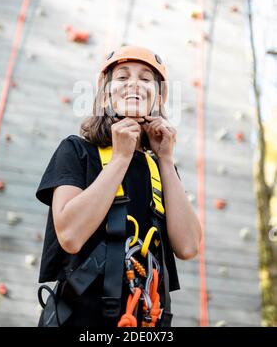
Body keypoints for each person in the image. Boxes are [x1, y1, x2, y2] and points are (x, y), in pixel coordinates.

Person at [36, 45, 201, 327]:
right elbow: (71, 236)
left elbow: (188, 246)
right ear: (105, 93)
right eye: (122, 77)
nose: (134, 84)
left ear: (158, 97)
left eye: (146, 78)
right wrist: (120, 158)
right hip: (82, 320)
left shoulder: (160, 167)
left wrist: (165, 157)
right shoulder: (77, 152)